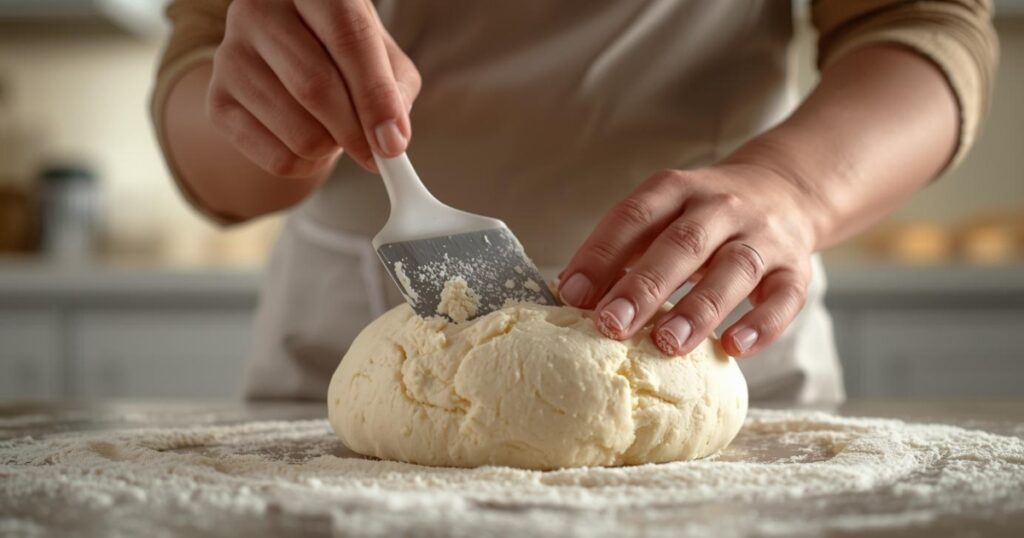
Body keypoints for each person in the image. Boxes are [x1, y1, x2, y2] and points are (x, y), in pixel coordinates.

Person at [150, 0, 997, 404]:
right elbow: (204, 91)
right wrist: (273, 112)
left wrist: (796, 188)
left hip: (700, 328)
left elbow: (924, 25)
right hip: (362, 357)